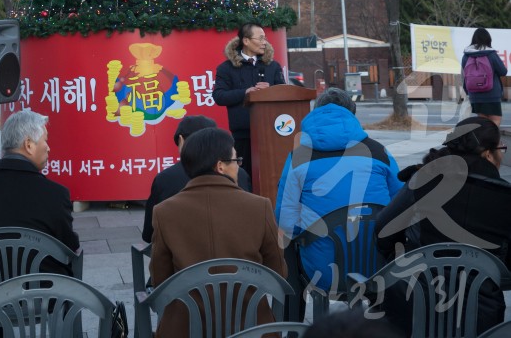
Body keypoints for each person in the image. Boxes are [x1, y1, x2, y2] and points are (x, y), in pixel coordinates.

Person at [375, 115, 511, 336]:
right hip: (482, 314)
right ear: (488, 153)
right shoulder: (505, 196)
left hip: (414, 305)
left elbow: (383, 229)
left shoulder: (425, 178)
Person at [150, 127, 285, 338]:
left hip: (184, 327)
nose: (238, 167)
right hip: (251, 326)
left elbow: (161, 280)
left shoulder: (164, 212)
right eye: (235, 160)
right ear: (220, 166)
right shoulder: (260, 207)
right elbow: (277, 275)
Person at [276, 87, 401, 296]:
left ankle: (292, 319)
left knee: (287, 243)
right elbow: (399, 202)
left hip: (323, 272)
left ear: (315, 113)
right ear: (352, 114)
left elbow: (286, 221)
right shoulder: (379, 151)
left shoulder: (298, 157)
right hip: (377, 266)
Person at [0, 109, 79, 308]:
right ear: (29, 145)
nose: (49, 148)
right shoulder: (55, 194)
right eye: (45, 140)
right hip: (44, 300)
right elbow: (69, 248)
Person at [142, 114, 251, 243]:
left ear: (181, 140)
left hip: (183, 260)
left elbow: (149, 235)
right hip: (238, 257)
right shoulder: (241, 174)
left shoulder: (165, 179)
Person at [212, 22, 285, 178]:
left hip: (272, 132)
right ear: (246, 41)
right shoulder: (227, 68)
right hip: (243, 135)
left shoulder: (272, 66)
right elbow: (219, 96)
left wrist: (270, 91)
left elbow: (284, 95)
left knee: (271, 176)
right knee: (244, 176)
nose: (264, 42)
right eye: (260, 38)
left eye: (265, 38)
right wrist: (245, 92)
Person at [461, 26, 507, 126]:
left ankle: (484, 141)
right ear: (488, 39)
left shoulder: (466, 55)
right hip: (491, 94)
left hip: (475, 94)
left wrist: (467, 92)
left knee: (483, 122)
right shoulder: (491, 54)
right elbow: (503, 71)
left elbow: (464, 76)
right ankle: (493, 141)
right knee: (495, 121)